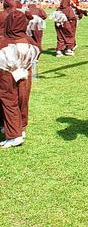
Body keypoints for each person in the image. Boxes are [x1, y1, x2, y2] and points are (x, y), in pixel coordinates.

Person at [0, 10, 39, 148]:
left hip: (6, 73)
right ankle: (20, 128)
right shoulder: (29, 40)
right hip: (25, 71)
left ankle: (14, 135)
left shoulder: (4, 41)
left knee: (8, 101)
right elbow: (37, 51)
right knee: (23, 99)